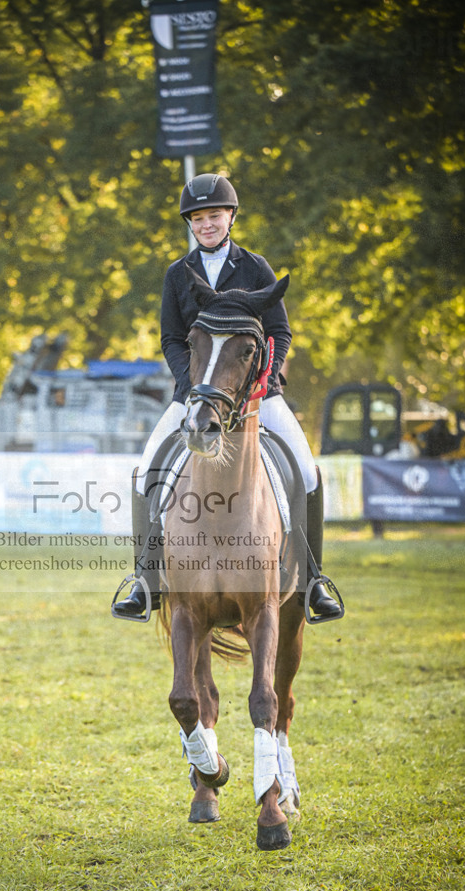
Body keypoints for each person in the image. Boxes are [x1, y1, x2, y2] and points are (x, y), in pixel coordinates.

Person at [113, 172, 343, 622]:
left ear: (230, 217)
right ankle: (144, 578)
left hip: (260, 396)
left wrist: (265, 378)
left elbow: (279, 331)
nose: (206, 225)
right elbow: (171, 338)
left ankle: (314, 579)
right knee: (146, 474)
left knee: (308, 472)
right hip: (196, 396)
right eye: (197, 219)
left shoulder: (256, 267)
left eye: (214, 216)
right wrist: (193, 385)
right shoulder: (178, 275)